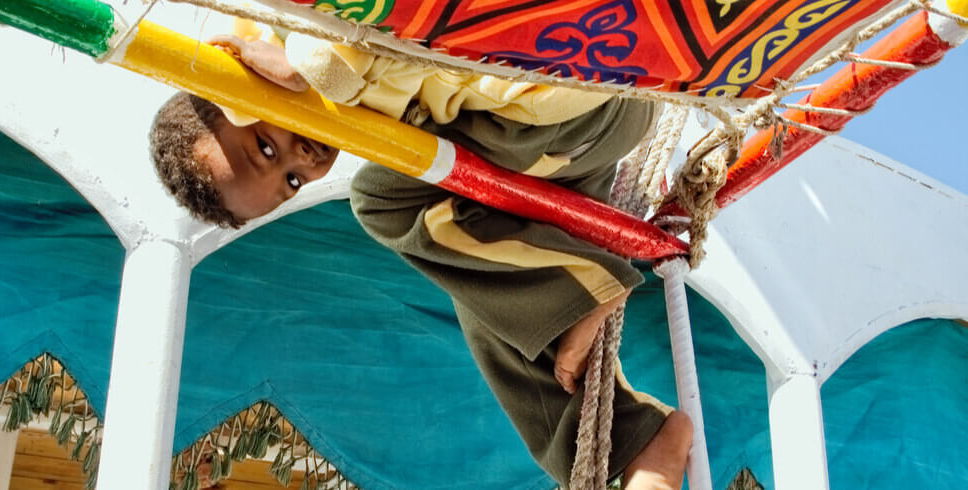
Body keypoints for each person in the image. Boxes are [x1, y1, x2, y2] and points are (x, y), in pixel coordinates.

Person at [149, 25, 692, 490]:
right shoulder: (326, 89)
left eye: (266, 148)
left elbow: (377, 39)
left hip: (569, 100)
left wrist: (305, 64)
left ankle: (582, 291)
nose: (303, 160)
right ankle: (634, 436)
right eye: (292, 181)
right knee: (487, 300)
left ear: (233, 70)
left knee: (383, 198)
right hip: (560, 148)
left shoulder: (301, 36)